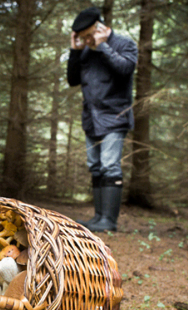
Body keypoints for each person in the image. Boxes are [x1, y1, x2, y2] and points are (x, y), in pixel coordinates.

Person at [67, 7, 138, 232]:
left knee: (110, 166)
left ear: (100, 28)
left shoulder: (124, 44)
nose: (87, 40)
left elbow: (125, 69)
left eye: (89, 35)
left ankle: (109, 221)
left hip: (114, 117)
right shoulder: (85, 51)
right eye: (82, 37)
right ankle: (98, 217)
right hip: (91, 119)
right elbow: (72, 79)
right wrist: (75, 51)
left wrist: (103, 46)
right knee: (95, 167)